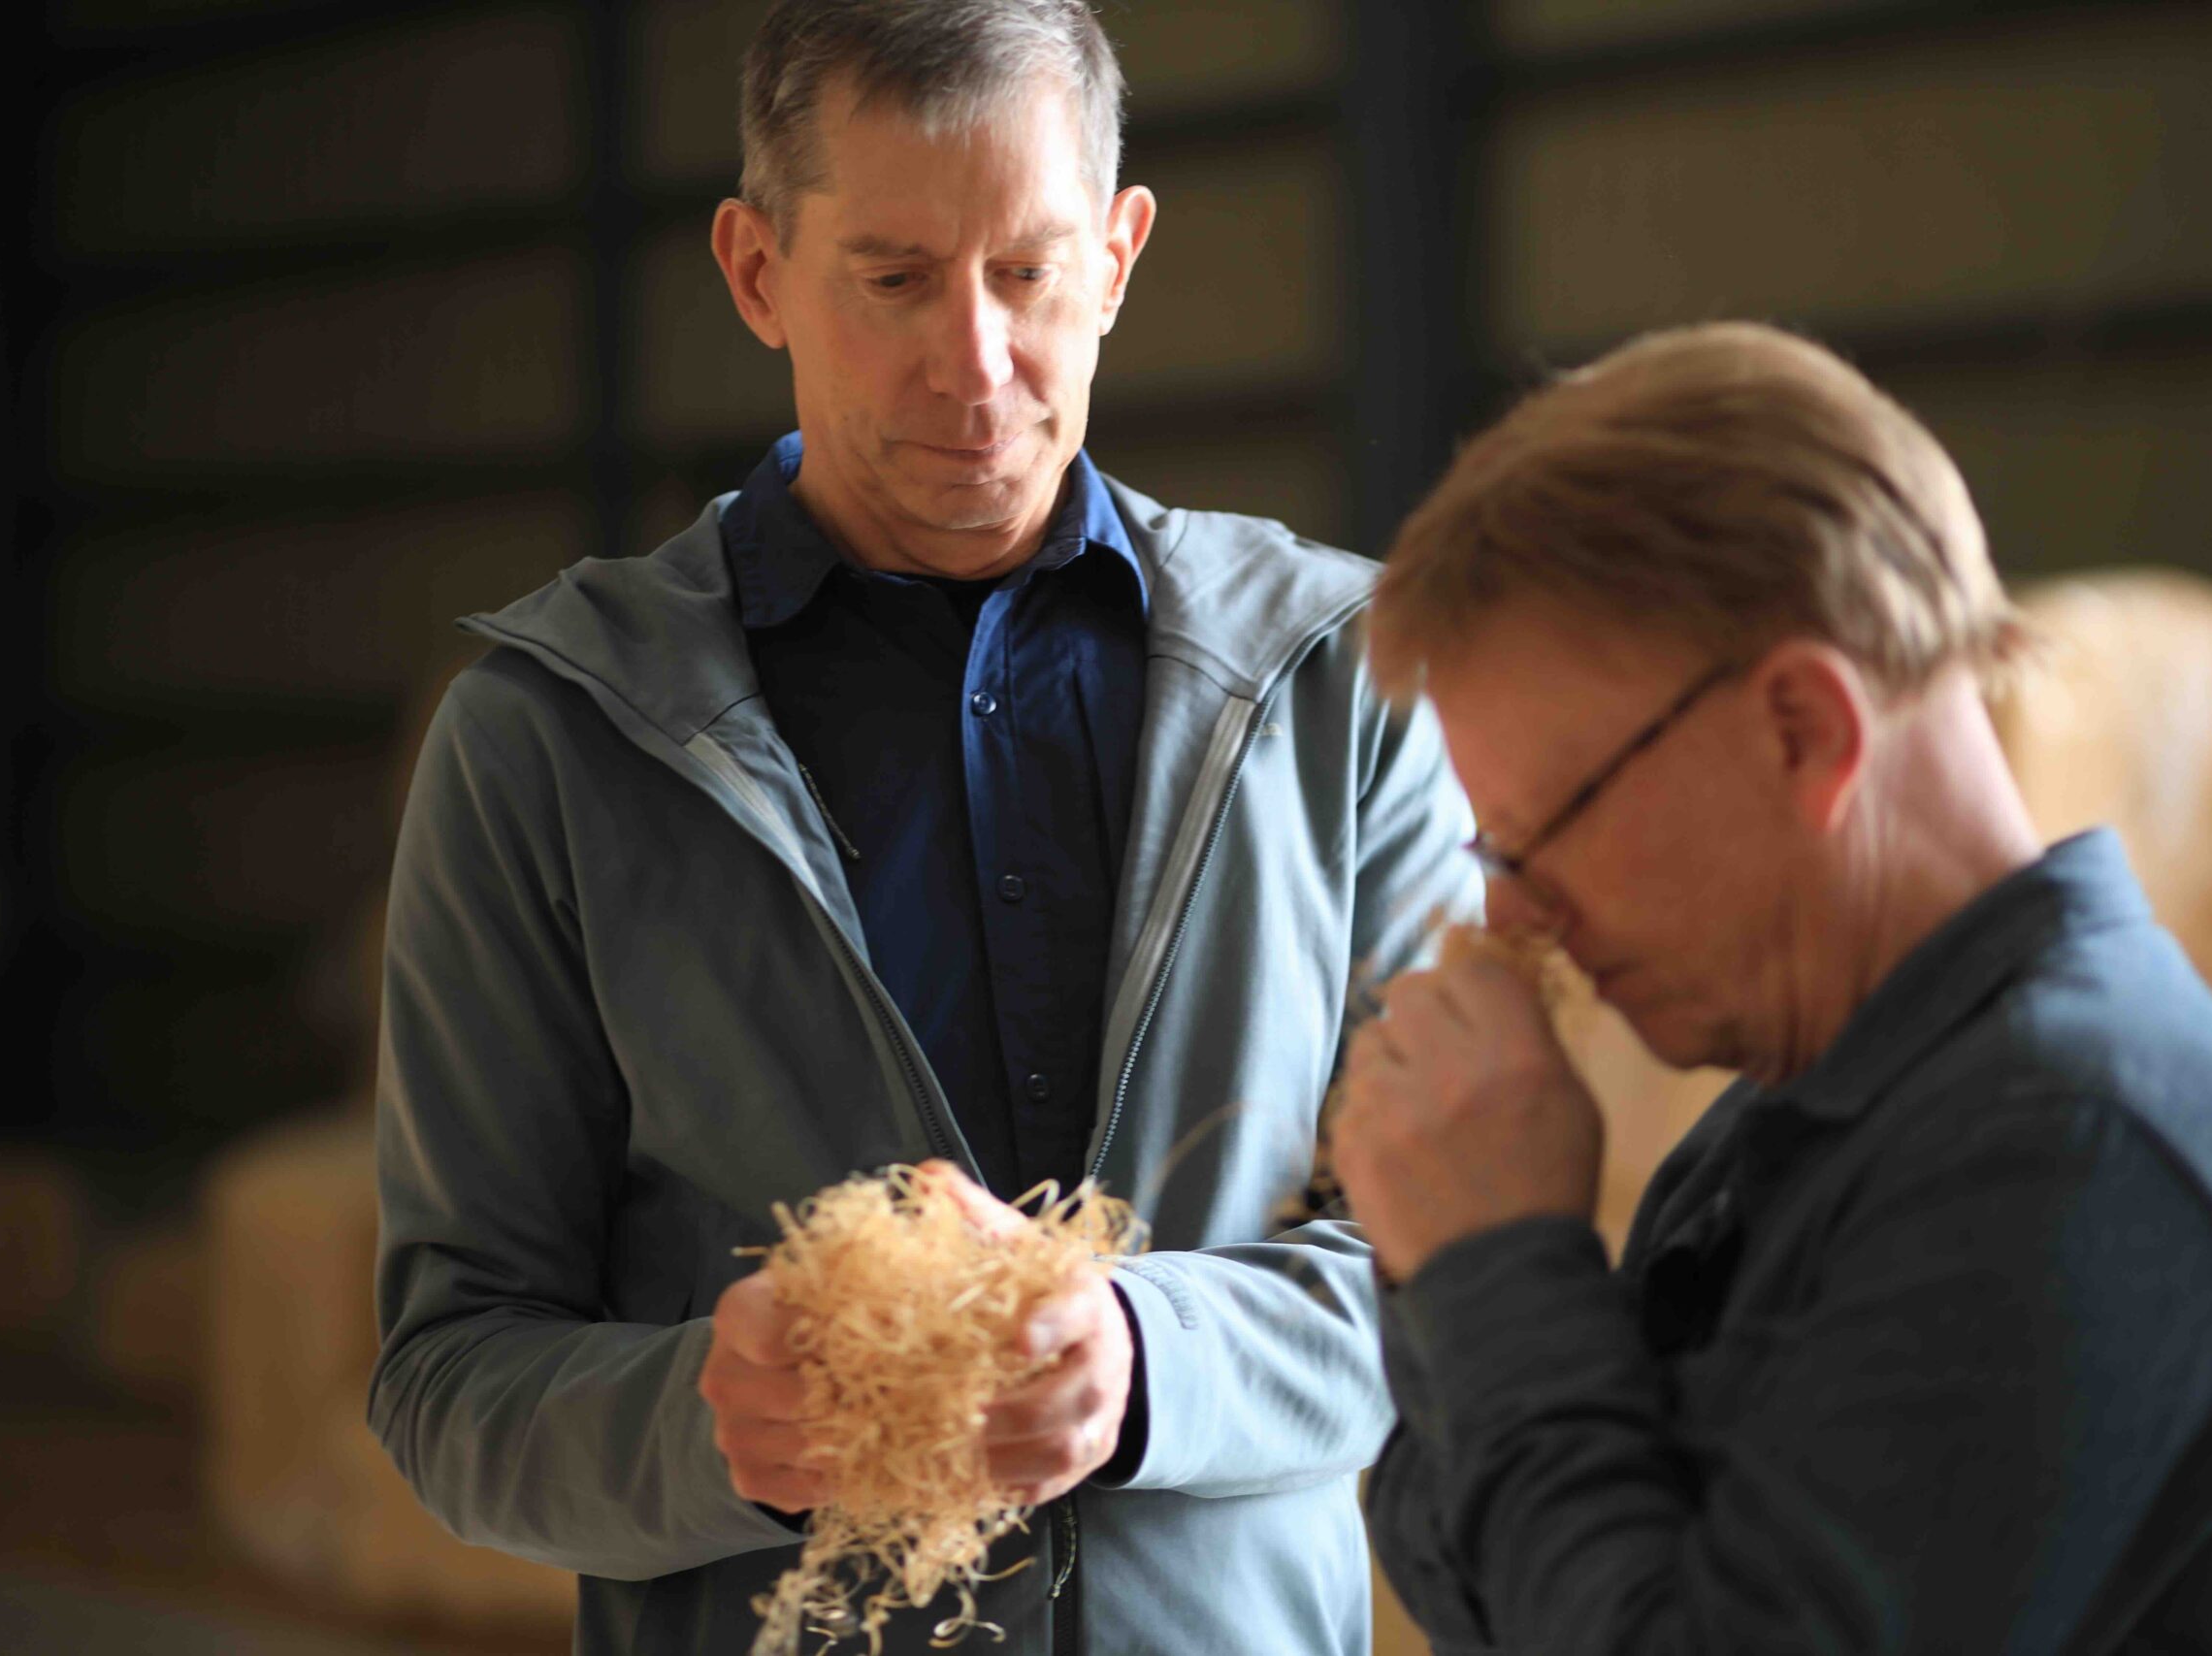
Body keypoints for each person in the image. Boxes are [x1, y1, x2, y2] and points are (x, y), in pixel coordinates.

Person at [367, 3, 1474, 1653]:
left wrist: (1150, 1357)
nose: (975, 363)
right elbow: (450, 1377)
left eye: (1027, 272)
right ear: (756, 273)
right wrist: (701, 1419)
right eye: (892, 280)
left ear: (1117, 255)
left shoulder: (1341, 686)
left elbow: (1457, 1277)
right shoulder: (547, 741)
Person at [1331, 321, 2212, 1653]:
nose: (1518, 911)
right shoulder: (1809, 1117)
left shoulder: (2078, 1142)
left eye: (1546, 829)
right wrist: (1435, 1266)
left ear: (1803, 730)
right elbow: (1509, 1594)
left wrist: (1496, 1268)